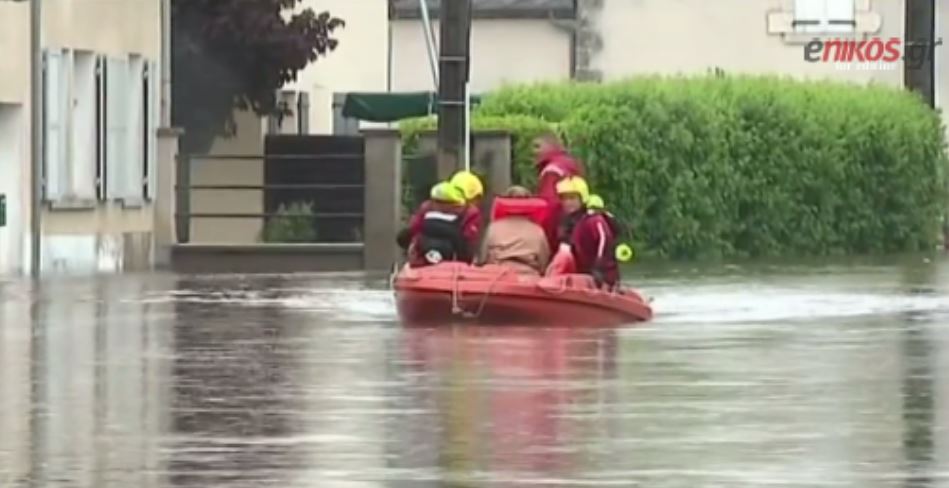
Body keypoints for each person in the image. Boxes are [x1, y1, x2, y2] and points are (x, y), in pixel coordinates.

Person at [545, 177, 620, 290]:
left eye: (572, 198)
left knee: (564, 256)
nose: (568, 203)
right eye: (564, 199)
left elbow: (604, 243)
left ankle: (548, 286)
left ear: (582, 199)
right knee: (563, 254)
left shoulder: (593, 220)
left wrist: (599, 270)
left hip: (598, 275)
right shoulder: (564, 223)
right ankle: (547, 284)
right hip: (577, 275)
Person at [397, 181, 481, 268]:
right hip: (453, 269)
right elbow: (466, 249)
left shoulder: (425, 214)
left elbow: (407, 235)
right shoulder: (467, 216)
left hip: (421, 267)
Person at [479, 185, 551, 276]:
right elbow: (544, 262)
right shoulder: (537, 230)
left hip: (497, 277)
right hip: (529, 278)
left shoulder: (493, 228)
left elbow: (483, 257)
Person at [532, 132, 584, 251]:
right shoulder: (570, 164)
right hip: (576, 226)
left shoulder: (551, 171)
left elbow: (549, 206)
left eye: (537, 146)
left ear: (551, 146)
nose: (533, 152)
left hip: (557, 231)